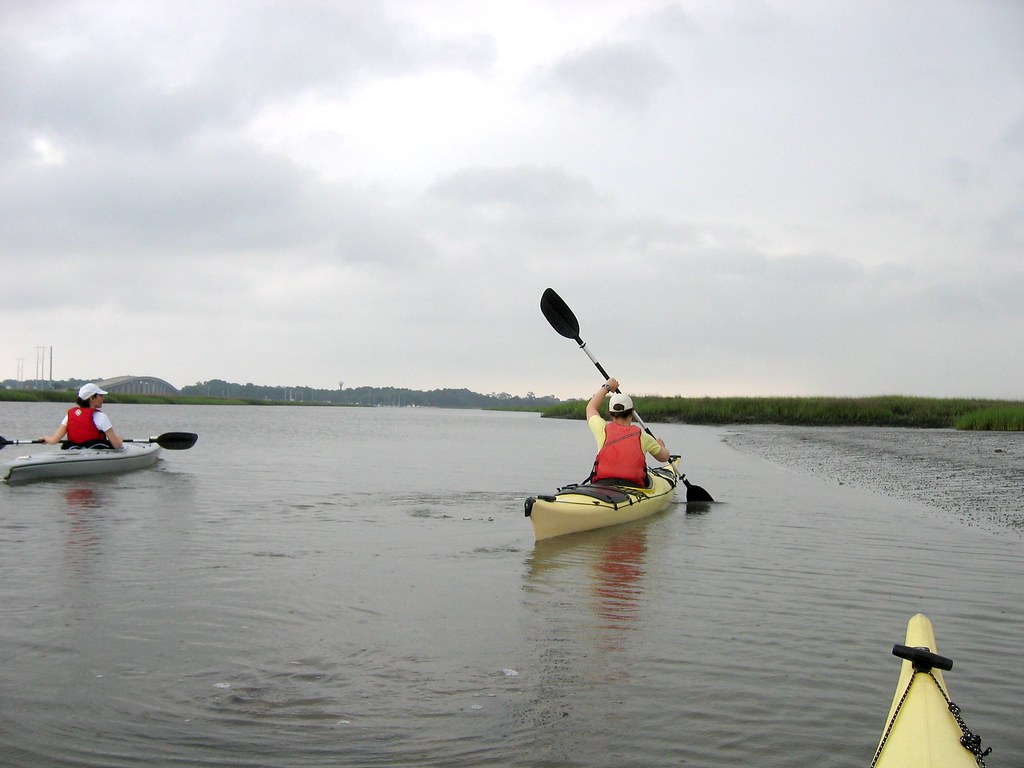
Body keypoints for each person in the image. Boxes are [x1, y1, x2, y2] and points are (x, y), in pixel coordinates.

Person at [585, 377, 669, 486]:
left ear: (611, 413)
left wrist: (607, 387)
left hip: (603, 484)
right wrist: (661, 446)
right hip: (634, 487)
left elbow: (590, 408)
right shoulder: (643, 437)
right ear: (632, 413)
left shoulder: (602, 429)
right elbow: (664, 457)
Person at [42, 383, 124, 449]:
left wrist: (46, 438)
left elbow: (53, 441)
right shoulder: (101, 417)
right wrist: (120, 440)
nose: (103, 399)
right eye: (101, 395)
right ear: (92, 398)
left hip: (74, 450)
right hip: (95, 453)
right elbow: (116, 445)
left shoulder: (69, 415)